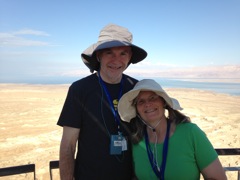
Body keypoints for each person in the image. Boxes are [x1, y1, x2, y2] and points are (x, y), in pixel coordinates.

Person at [57, 24, 147, 180]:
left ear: (130, 57)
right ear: (98, 55)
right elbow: (68, 145)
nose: (116, 60)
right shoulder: (80, 89)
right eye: (109, 52)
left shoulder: (136, 88)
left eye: (123, 53)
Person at [118, 79, 227, 180]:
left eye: (152, 98)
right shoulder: (137, 140)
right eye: (141, 101)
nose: (147, 104)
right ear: (137, 109)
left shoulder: (190, 133)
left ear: (163, 102)